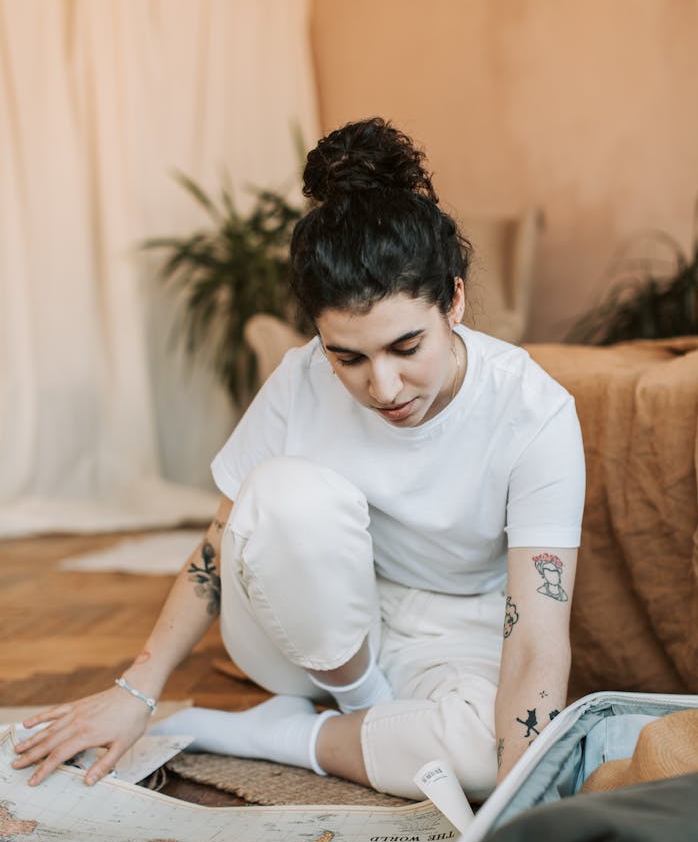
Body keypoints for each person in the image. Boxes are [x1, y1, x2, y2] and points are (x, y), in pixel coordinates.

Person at [13, 117, 585, 800]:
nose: (383, 387)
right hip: (303, 627)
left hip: (455, 634)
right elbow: (223, 542)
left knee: (491, 762)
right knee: (282, 493)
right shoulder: (300, 376)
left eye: (407, 348)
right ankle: (358, 707)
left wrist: (522, 814)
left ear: (454, 300)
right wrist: (138, 689)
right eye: (349, 356)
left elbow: (536, 641)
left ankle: (274, 736)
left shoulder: (535, 413)